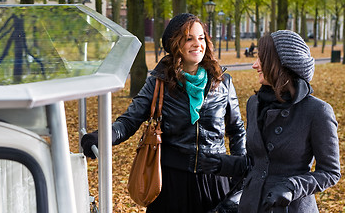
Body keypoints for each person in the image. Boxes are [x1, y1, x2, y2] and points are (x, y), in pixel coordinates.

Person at [81, 13, 246, 212]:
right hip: (171, 182)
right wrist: (101, 137)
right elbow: (129, 120)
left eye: (201, 38)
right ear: (175, 44)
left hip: (214, 182)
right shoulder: (159, 81)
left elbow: (237, 132)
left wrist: (241, 179)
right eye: (189, 38)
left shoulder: (223, 82)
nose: (197, 44)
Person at [200, 30, 341, 212]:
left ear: (281, 64)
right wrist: (222, 164)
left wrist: (292, 186)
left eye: (261, 59)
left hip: (292, 208)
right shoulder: (254, 103)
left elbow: (330, 173)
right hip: (251, 205)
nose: (254, 65)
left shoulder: (317, 111)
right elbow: (255, 163)